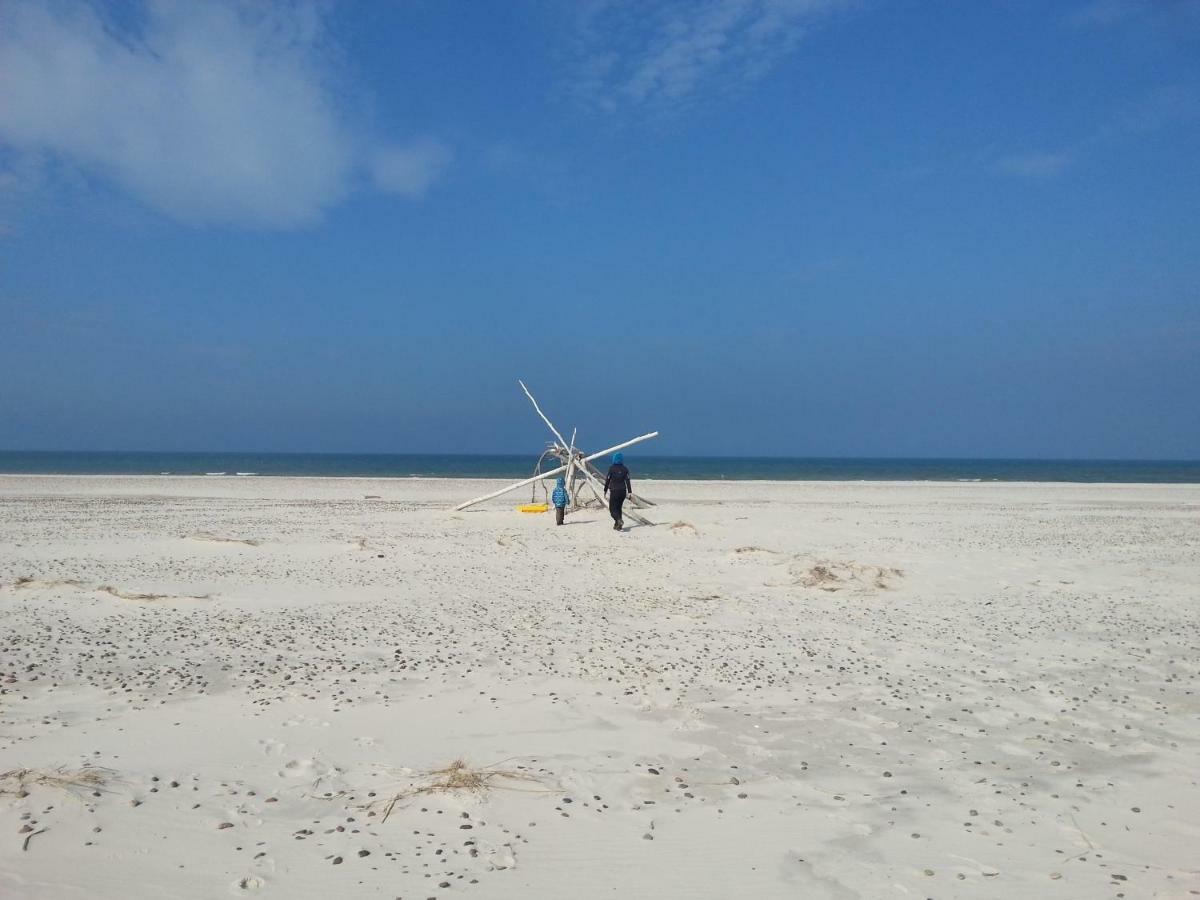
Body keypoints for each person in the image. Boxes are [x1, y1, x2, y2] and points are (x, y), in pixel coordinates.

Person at [603, 452, 632, 531]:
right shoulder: (625, 469)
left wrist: (605, 490)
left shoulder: (611, 468)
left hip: (614, 491)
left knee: (612, 509)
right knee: (619, 508)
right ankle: (618, 525)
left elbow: (608, 480)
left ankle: (618, 520)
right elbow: (628, 481)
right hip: (622, 491)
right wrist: (629, 492)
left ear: (614, 459)